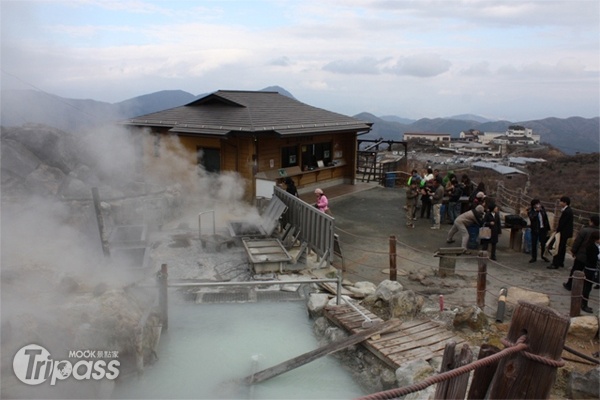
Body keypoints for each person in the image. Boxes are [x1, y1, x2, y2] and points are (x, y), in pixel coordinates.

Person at [563, 215, 599, 290]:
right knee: (587, 273)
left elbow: (577, 242)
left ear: (591, 221)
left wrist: (573, 251)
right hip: (592, 258)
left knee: (575, 270)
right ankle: (583, 287)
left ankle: (570, 285)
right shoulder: (598, 232)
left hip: (581, 255)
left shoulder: (584, 230)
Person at [548, 196, 574, 269]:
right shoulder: (568, 210)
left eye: (561, 201)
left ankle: (555, 263)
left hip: (563, 232)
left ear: (565, 202)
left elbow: (563, 223)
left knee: (558, 247)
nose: (560, 203)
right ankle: (560, 262)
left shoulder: (567, 211)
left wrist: (557, 230)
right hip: (565, 232)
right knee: (562, 248)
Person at [581, 230, 600, 313]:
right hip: (590, 269)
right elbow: (593, 259)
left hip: (589, 268)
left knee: (587, 287)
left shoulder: (592, 245)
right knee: (587, 287)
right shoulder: (592, 247)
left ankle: (584, 303)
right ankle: (584, 304)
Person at [528, 199, 551, 263]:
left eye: (539, 203)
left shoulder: (542, 209)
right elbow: (531, 218)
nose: (538, 205)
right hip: (535, 229)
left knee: (543, 243)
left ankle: (543, 256)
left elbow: (546, 219)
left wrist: (548, 229)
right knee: (534, 244)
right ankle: (534, 257)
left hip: (542, 229)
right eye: (537, 204)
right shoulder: (531, 211)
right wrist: (536, 212)